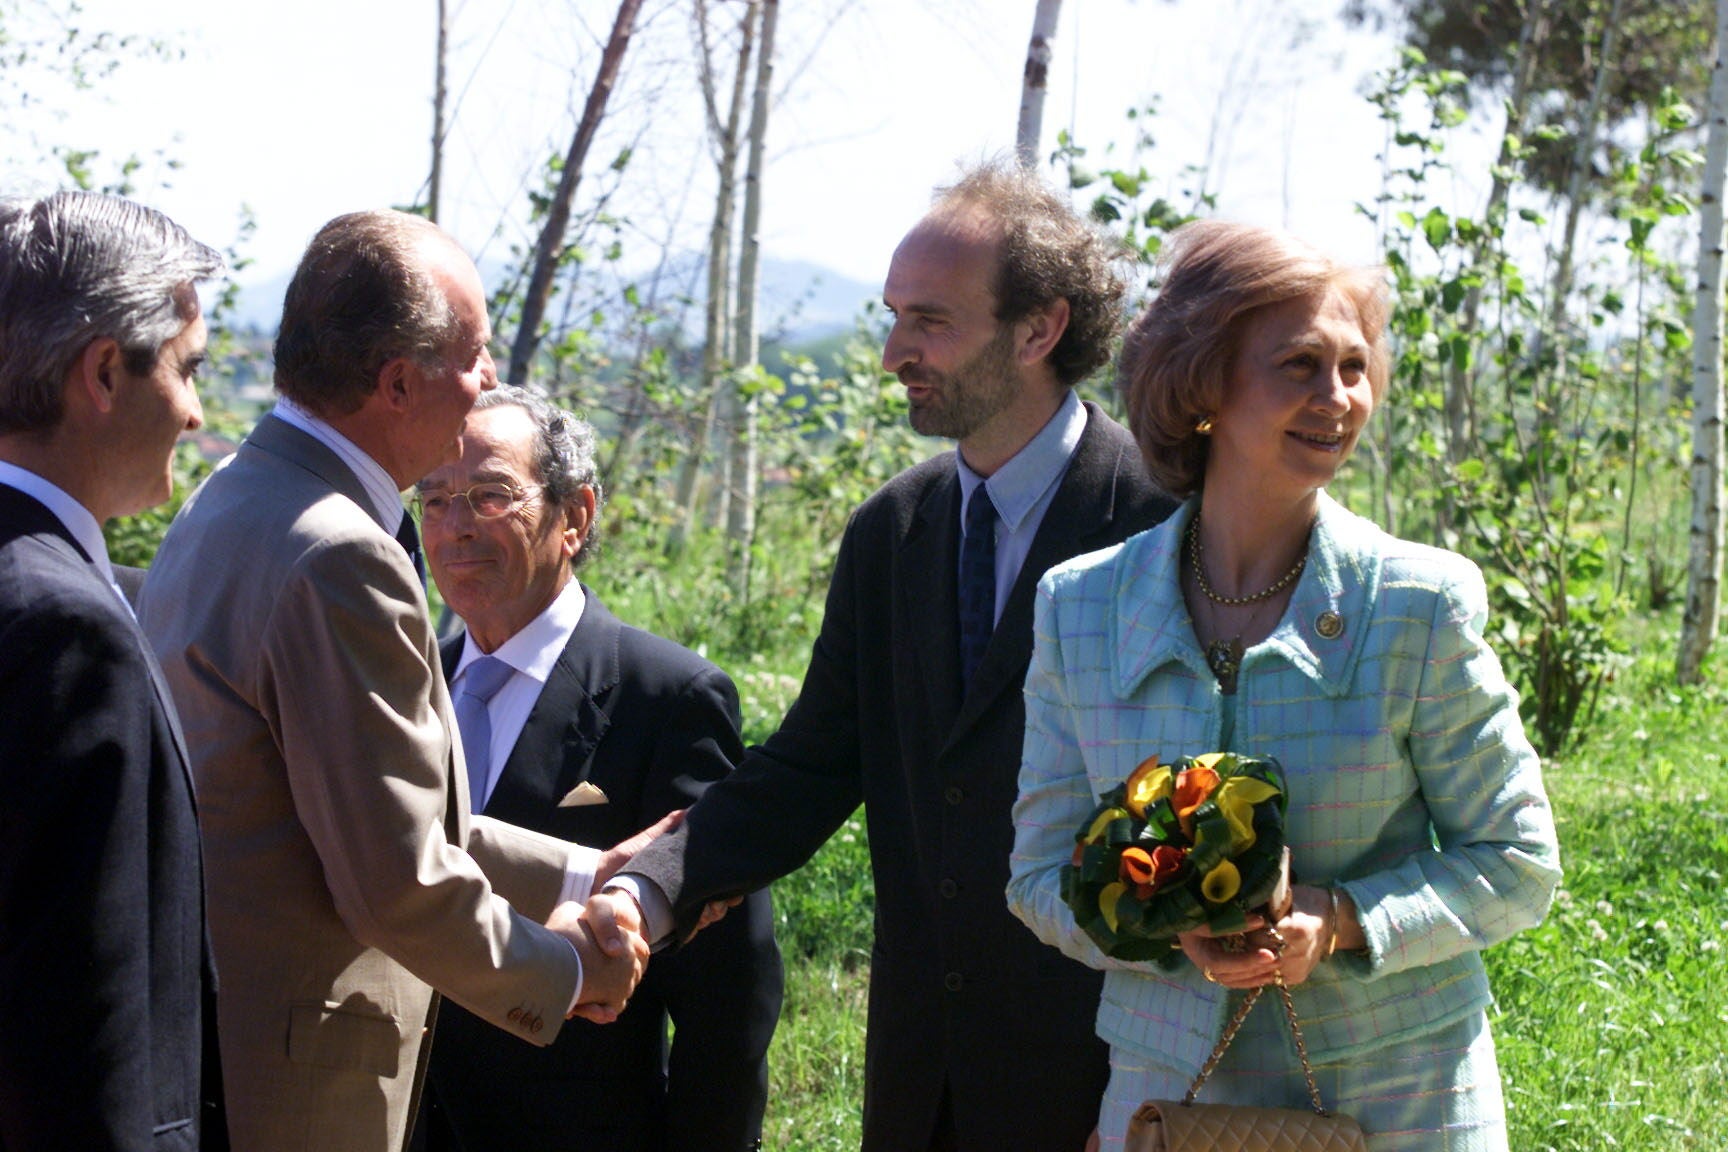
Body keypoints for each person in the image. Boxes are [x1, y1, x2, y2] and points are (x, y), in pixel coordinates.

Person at [615, 159, 1179, 1151]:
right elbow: (811, 763)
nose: (891, 353)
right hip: (925, 1088)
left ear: (1039, 329)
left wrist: (1147, 1089)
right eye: (893, 316)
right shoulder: (891, 533)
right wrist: (659, 877)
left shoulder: (1160, 527)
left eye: (930, 321)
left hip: (1108, 1089)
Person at [1006, 220, 1563, 1151]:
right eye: (1300, 364)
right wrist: (1156, 922)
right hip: (1167, 1099)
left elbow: (1515, 862)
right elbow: (1036, 875)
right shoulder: (1081, 608)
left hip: (1403, 1099)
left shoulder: (1416, 604)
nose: (1339, 397)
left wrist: (1337, 920)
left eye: (1354, 366)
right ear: (1202, 386)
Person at [138, 210, 652, 1152]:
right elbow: (397, 880)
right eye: (476, 353)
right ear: (399, 383)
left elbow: (363, 806)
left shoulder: (240, 497)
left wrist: (589, 869)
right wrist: (569, 969)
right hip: (290, 1096)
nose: (489, 381)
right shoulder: (337, 554)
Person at [413, 387, 782, 1152]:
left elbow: (728, 1004)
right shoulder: (410, 687)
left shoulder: (667, 698)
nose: (454, 529)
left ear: (574, 517)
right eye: (436, 499)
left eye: (489, 496)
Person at [0, 190, 228, 1150]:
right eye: (186, 369)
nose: (195, 411)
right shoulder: (69, 631)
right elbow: (81, 1022)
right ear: (102, 372)